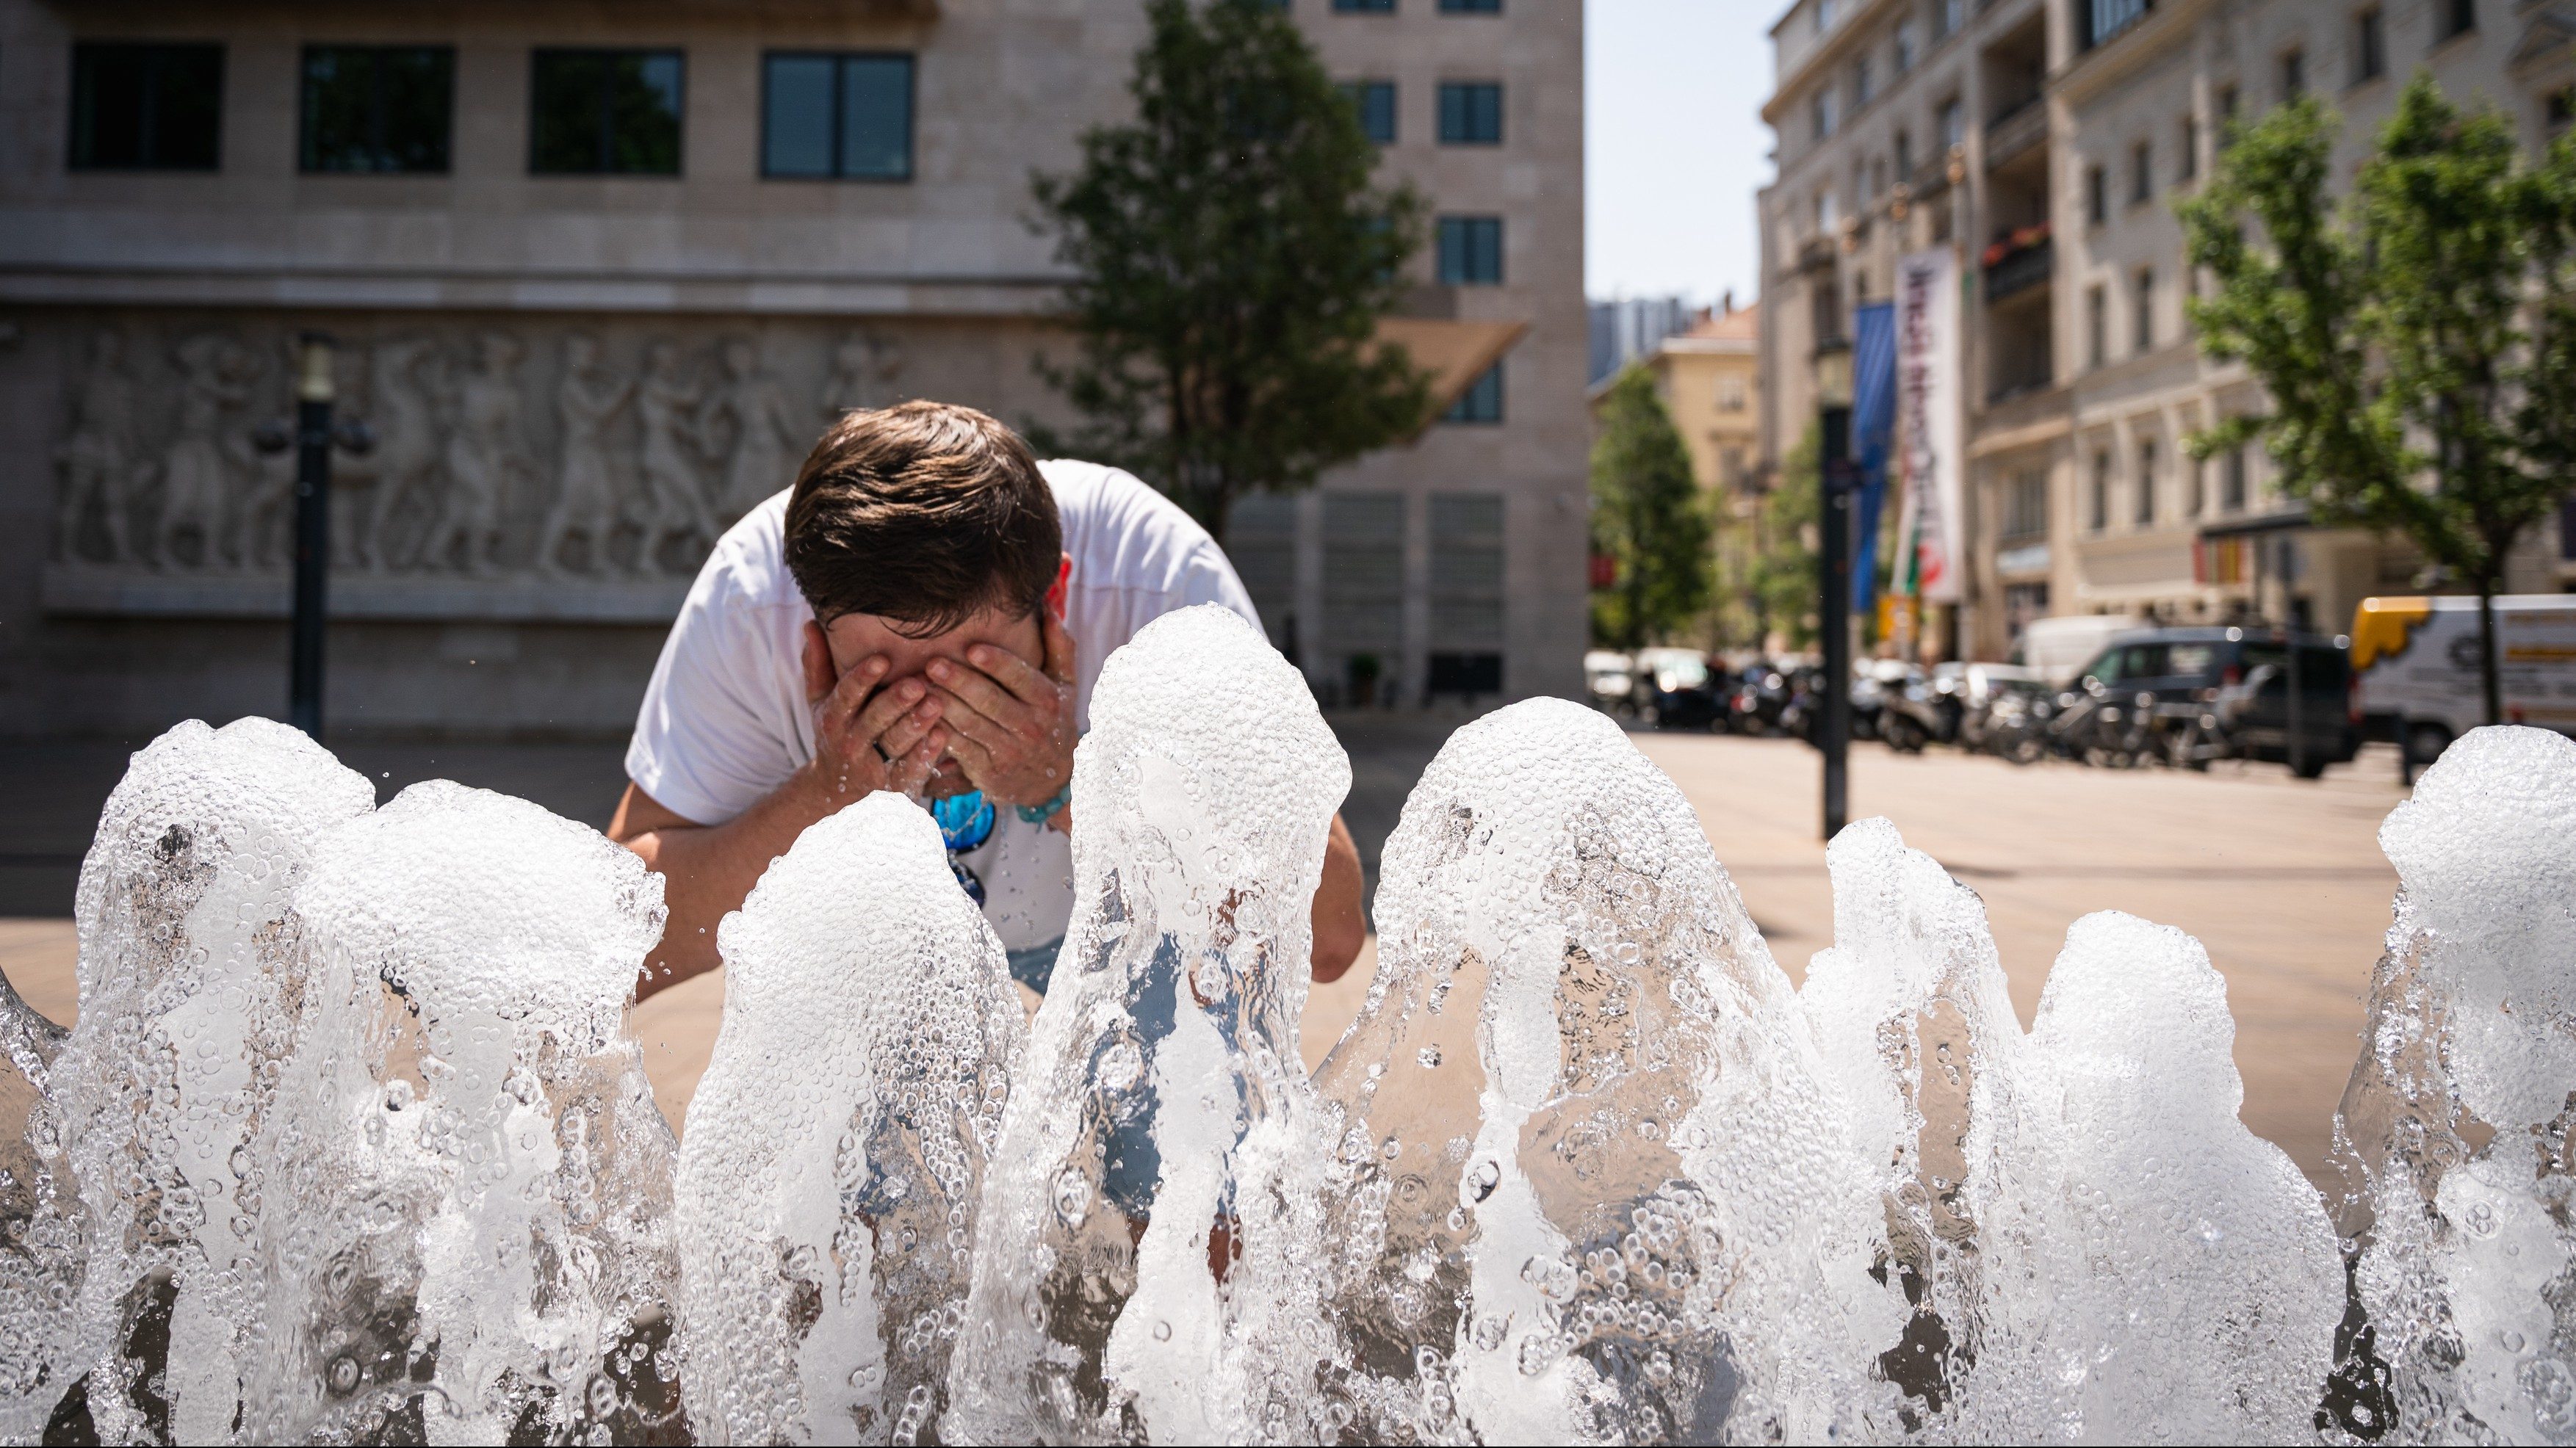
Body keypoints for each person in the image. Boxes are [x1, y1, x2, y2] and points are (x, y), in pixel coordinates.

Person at [610, 400, 1367, 1000]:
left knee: (1184, 1179)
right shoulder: (752, 599)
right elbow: (621, 943)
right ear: (812, 634)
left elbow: (1328, 933)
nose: (935, 718)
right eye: (881, 678)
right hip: (880, 950)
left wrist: (1070, 784)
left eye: (977, 674)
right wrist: (822, 799)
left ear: (1058, 597)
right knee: (850, 1177)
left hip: (1125, 933)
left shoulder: (1158, 580)